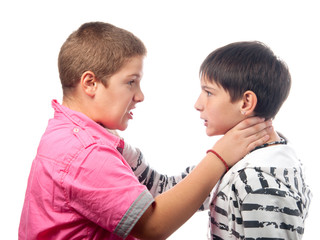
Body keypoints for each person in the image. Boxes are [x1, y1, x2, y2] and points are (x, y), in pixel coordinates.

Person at [18, 23, 272, 240]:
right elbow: (153, 226)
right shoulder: (86, 154)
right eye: (130, 82)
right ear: (91, 83)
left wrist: (230, 158)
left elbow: (161, 191)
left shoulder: (71, 134)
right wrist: (219, 157)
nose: (140, 96)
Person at [125, 41, 312, 239]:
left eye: (209, 92)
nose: (198, 104)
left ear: (246, 102)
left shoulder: (258, 180)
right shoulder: (237, 158)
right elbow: (166, 189)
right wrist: (118, 144)